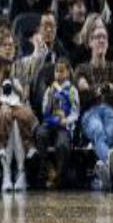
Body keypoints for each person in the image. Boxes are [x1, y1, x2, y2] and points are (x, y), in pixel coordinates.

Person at [74, 21, 113, 190]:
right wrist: (104, 88)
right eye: (97, 37)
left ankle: (103, 176)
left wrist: (96, 90)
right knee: (97, 129)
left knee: (109, 131)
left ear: (108, 43)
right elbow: (82, 90)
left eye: (104, 37)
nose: (101, 40)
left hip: (111, 112)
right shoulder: (81, 69)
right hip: (90, 113)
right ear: (90, 42)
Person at [0, 33, 38, 192]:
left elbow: (25, 96)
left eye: (11, 45)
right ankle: (7, 173)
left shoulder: (21, 68)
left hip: (18, 106)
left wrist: (15, 85)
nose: (8, 48)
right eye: (5, 45)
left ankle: (20, 172)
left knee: (17, 120)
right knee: (6, 114)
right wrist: (1, 81)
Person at [36, 57, 79, 189]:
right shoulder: (50, 90)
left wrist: (67, 120)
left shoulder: (72, 90)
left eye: (62, 71)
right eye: (56, 71)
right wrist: (49, 101)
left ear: (68, 72)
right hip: (50, 122)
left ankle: (59, 174)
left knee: (62, 145)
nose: (58, 74)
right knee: (40, 134)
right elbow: (44, 109)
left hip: (64, 125)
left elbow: (75, 112)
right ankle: (47, 167)